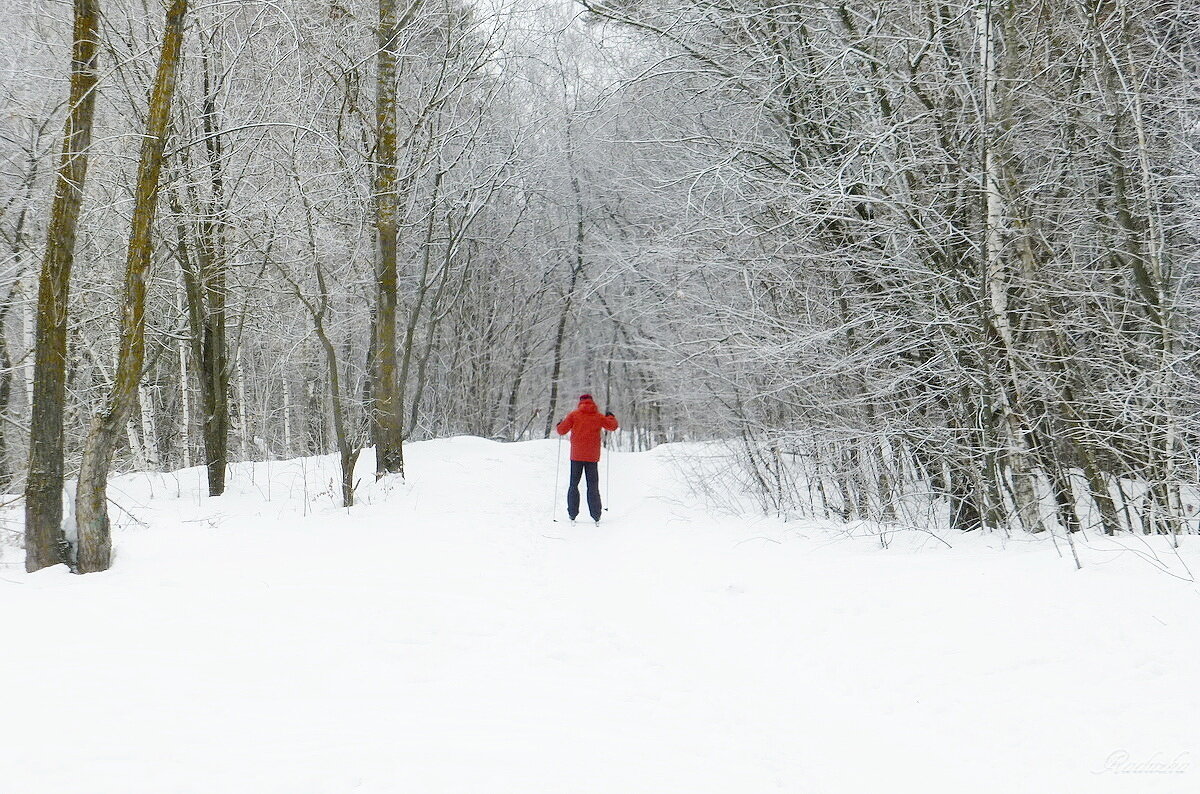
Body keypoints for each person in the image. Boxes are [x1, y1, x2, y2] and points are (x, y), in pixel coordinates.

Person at [555, 393, 618, 523]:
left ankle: (572, 513)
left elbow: (561, 430)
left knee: (574, 484)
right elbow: (612, 426)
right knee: (593, 486)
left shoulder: (574, 415)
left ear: (580, 402)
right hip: (592, 457)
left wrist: (559, 424)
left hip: (576, 456)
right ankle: (596, 515)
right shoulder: (598, 416)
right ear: (592, 402)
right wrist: (611, 417)